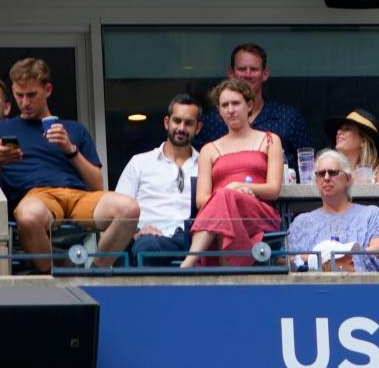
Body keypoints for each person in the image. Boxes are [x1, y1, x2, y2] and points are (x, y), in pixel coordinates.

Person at [0, 58, 139, 273]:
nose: (25, 102)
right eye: (19, 95)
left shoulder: (74, 129)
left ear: (47, 90)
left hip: (79, 197)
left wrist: (70, 149)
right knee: (28, 216)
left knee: (129, 209)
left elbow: (97, 185)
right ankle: (54, 274)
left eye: (31, 95)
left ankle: (97, 271)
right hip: (37, 196)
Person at [180, 78, 283, 267]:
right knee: (223, 199)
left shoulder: (270, 140)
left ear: (249, 105)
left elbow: (274, 189)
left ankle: (189, 262)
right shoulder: (209, 149)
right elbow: (201, 199)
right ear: (219, 111)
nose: (231, 109)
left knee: (223, 196)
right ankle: (227, 267)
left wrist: (240, 187)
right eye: (224, 105)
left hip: (257, 213)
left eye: (236, 103)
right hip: (218, 212)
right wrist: (230, 194)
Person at [194, 43, 311, 170]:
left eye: (254, 69)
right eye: (242, 69)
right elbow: (195, 166)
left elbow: (308, 165)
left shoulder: (288, 118)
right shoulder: (211, 122)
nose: (247, 74)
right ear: (230, 73)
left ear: (265, 74)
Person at [115, 94, 202, 265]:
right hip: (150, 242)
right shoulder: (140, 163)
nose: (182, 128)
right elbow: (117, 211)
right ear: (166, 122)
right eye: (177, 121)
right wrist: (136, 232)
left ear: (198, 128)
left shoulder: (206, 165)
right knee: (146, 246)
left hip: (194, 242)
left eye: (189, 123)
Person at [287, 149, 379, 271]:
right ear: (316, 181)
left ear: (347, 179)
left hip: (362, 285)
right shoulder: (301, 222)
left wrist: (321, 257)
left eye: (332, 172)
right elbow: (288, 261)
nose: (326, 178)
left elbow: (377, 251)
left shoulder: (371, 214)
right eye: (321, 174)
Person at [324, 109, 379, 184]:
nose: (338, 132)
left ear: (363, 141)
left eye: (347, 128)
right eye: (339, 129)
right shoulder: (329, 172)